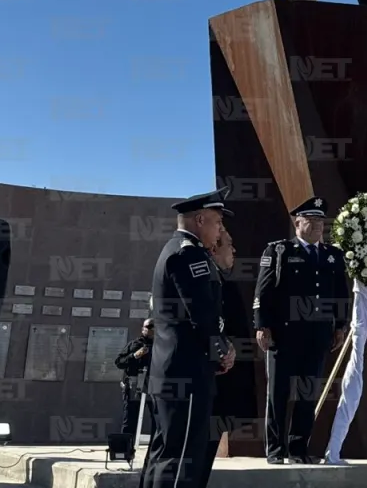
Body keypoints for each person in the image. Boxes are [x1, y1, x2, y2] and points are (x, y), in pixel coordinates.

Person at [140, 189, 234, 488]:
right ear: (200, 219)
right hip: (187, 372)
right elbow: (201, 313)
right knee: (182, 455)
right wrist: (222, 349)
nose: (220, 231)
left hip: (172, 370)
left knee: (165, 450)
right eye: (217, 223)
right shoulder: (188, 252)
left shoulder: (177, 248)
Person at [253, 197, 349, 464]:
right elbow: (263, 290)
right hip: (284, 335)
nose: (318, 226)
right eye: (312, 220)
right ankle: (275, 450)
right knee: (279, 394)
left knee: (308, 394)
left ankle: (298, 450)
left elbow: (340, 293)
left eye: (321, 221)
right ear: (298, 222)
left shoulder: (333, 255)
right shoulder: (279, 251)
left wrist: (340, 325)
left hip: (318, 336)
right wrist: (262, 325)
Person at [195, 227, 257, 488]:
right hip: (213, 386)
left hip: (225, 387)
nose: (234, 251)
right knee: (196, 457)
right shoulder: (208, 282)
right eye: (228, 245)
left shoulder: (222, 281)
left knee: (205, 458)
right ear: (213, 248)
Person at [115, 320, 154, 437]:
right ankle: (125, 450)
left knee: (158, 419)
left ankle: (155, 452)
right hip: (134, 386)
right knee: (130, 419)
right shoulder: (134, 344)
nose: (153, 329)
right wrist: (135, 355)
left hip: (154, 385)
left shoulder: (161, 346)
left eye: (155, 327)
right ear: (143, 328)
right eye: (150, 326)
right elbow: (119, 362)